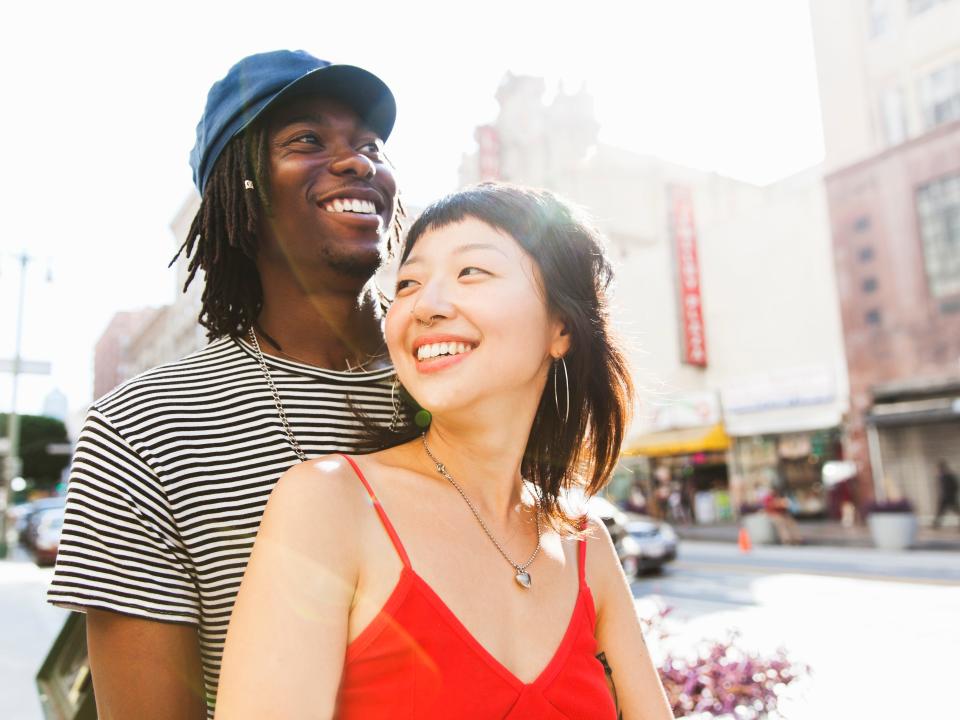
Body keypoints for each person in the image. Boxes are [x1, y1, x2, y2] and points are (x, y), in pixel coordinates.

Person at [216, 184, 674, 719]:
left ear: (561, 328)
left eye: (471, 272)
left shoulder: (585, 542)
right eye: (407, 282)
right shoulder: (332, 502)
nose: (425, 306)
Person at [47, 49, 401, 719]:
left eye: (371, 146)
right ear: (238, 188)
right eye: (306, 140)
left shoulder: (469, 375)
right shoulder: (141, 430)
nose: (360, 162)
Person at [933, 460, 959, 528]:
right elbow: (942, 488)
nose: (937, 470)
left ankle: (935, 525)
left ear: (942, 468)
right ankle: (935, 525)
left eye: (938, 468)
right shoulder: (940, 477)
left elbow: (955, 486)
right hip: (944, 498)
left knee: (957, 511)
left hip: (950, 498)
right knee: (939, 512)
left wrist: (952, 495)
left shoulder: (949, 476)